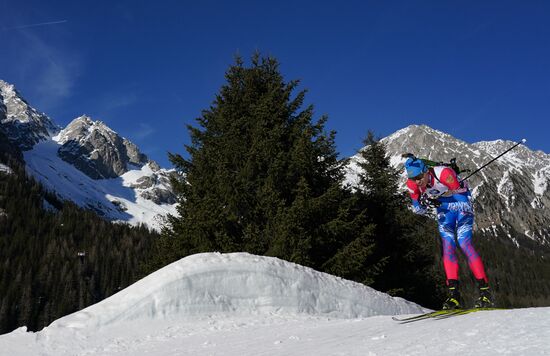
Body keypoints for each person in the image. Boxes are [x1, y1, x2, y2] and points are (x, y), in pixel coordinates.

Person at [404, 157, 493, 309]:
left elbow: (464, 203)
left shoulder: (444, 174)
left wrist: (440, 203)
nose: (417, 182)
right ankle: (454, 296)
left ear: (426, 172)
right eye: (413, 178)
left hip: (460, 204)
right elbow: (417, 209)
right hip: (444, 210)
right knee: (448, 248)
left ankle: (485, 293)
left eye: (419, 177)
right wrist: (424, 205)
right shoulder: (412, 184)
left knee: (464, 243)